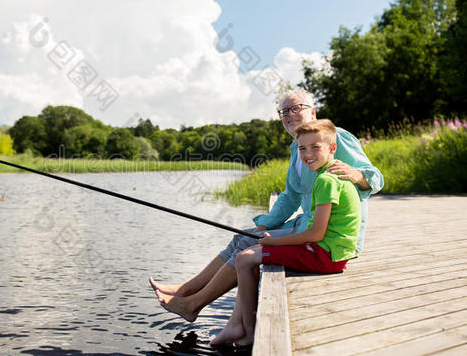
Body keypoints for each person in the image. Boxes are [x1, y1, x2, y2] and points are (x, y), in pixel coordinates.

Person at [149, 88, 383, 322]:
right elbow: (291, 196)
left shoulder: (334, 137)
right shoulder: (297, 149)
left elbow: (377, 178)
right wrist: (264, 224)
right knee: (244, 237)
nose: (289, 115)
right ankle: (187, 290)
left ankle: (192, 304)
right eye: (283, 111)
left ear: (312, 112)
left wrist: (356, 174)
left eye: (295, 108)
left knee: (248, 244)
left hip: (330, 237)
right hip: (309, 223)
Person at [212, 119, 361, 346]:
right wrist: (274, 240)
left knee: (244, 259)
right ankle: (240, 326)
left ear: (332, 148)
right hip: (332, 252)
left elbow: (315, 234)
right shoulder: (334, 175)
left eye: (315, 147)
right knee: (253, 249)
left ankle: (248, 332)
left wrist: (276, 243)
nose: (307, 153)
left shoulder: (326, 181)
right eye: (302, 148)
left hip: (325, 255)